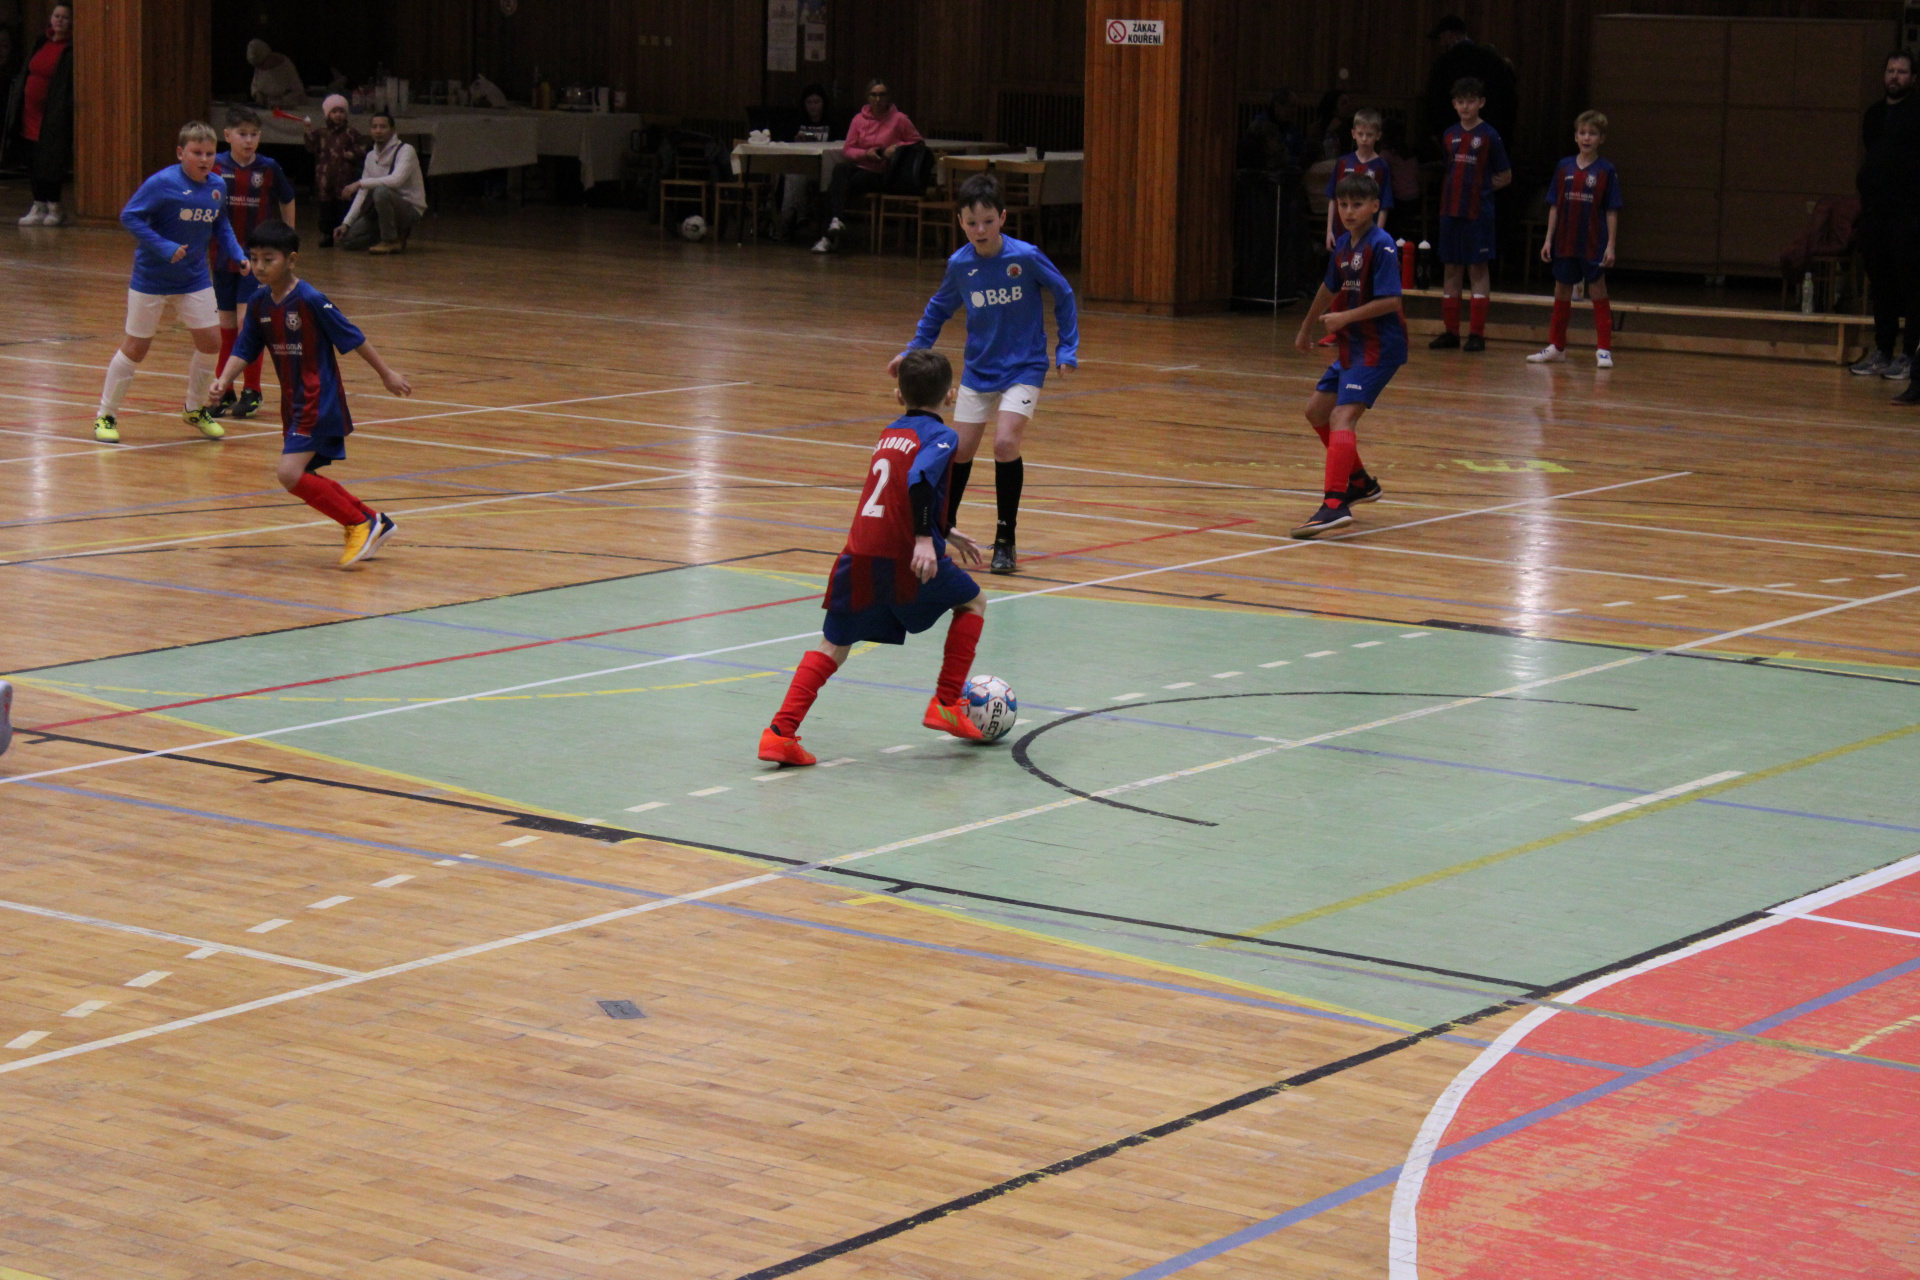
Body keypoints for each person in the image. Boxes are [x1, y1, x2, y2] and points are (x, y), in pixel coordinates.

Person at [758, 350, 989, 766]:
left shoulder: (889, 432)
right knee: (973, 601)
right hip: (903, 554)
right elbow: (919, 479)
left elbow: (896, 491)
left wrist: (945, 530)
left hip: (859, 552)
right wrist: (925, 539)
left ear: (898, 395)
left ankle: (779, 733)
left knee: (834, 644)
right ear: (951, 395)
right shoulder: (943, 436)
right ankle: (945, 702)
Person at [890, 173, 1078, 575]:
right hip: (979, 369)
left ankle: (1005, 539)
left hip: (1024, 366)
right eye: (972, 222)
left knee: (1005, 443)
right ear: (960, 221)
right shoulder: (960, 265)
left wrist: (1067, 348)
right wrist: (911, 352)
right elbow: (937, 310)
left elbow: (1063, 293)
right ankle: (942, 529)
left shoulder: (1025, 257)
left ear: (1003, 218)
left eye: (988, 221)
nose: (980, 230)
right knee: (958, 450)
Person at [209, 220, 413, 568]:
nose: (259, 266)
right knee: (301, 473)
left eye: (268, 259)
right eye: (254, 258)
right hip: (293, 403)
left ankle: (359, 523)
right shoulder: (259, 302)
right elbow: (245, 347)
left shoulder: (310, 299)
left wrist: (386, 374)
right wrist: (224, 379)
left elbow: (354, 337)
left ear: (291, 260)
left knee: (289, 473)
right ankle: (372, 520)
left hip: (318, 399)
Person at [92, 121, 248, 445]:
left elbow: (220, 224)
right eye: (197, 153)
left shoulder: (217, 186)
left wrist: (237, 254)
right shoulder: (162, 183)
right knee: (136, 348)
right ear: (180, 153)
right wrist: (164, 247)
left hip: (194, 278)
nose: (204, 159)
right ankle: (106, 415)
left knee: (211, 342)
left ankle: (194, 408)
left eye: (209, 153)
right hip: (151, 279)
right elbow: (129, 216)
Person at [1290, 173, 1402, 539]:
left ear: (1374, 207)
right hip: (1354, 345)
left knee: (1342, 416)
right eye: (1343, 204)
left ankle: (1335, 504)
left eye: (1357, 204)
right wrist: (1306, 327)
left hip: (1379, 347)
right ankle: (1360, 483)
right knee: (1316, 411)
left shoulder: (1382, 245)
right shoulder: (1342, 245)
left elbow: (1391, 301)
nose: (1349, 211)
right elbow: (1328, 288)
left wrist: (1344, 317)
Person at [209, 107, 295, 418]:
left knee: (248, 322)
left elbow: (287, 197)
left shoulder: (268, 167)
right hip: (221, 256)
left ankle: (252, 390)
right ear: (227, 135)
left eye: (254, 134)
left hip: (255, 258)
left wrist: (287, 238)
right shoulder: (215, 165)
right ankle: (224, 390)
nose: (249, 140)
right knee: (226, 327)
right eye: (242, 134)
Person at [1529, 111, 1622, 370]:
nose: (1586, 137)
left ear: (1601, 138)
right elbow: (1554, 206)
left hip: (1593, 242)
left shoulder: (1606, 170)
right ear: (1575, 137)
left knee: (1598, 291)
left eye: (1592, 133)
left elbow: (1612, 210)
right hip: (1565, 240)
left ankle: (1604, 349)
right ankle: (1557, 346)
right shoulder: (1564, 167)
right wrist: (1548, 240)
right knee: (1561, 290)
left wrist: (1611, 245)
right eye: (1582, 133)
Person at [1854, 50, 1920, 388]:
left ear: (1913, 78)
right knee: (1881, 285)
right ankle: (1882, 349)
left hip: (1907, 213)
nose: (1895, 76)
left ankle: (1909, 354)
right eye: (1891, 70)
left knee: (1911, 284)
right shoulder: (1874, 114)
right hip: (1875, 213)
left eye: (1902, 71)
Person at [1430, 77, 1510, 353]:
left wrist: (1481, 189)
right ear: (1454, 104)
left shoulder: (1490, 135)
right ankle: (1451, 332)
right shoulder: (1449, 134)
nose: (1466, 106)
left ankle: (1477, 333)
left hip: (1478, 214)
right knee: (1451, 268)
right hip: (1449, 211)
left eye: (1471, 101)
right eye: (1461, 101)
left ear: (1481, 103)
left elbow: (1505, 175)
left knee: (1477, 269)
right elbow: (1450, 169)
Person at [814, 79, 920, 253]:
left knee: (835, 187)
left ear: (888, 97)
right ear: (868, 97)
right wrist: (866, 153)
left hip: (883, 173)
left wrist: (897, 147)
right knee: (839, 171)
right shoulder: (859, 120)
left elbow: (918, 144)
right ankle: (835, 223)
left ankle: (828, 236)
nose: (878, 99)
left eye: (882, 95)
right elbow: (848, 150)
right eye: (874, 95)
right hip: (861, 166)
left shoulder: (899, 119)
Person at [5, 4, 72, 227]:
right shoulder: (41, 41)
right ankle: (38, 204)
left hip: (52, 113)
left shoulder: (70, 49)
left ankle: (54, 206)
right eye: (56, 16)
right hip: (29, 112)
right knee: (32, 159)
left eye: (65, 17)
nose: (59, 20)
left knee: (49, 160)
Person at [1420, 15, 1517, 155]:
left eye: (1440, 38)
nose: (1440, 44)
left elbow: (1434, 101)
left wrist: (1438, 134)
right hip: (1491, 136)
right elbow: (1508, 98)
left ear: (1448, 35)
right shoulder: (1492, 60)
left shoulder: (1444, 64)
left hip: (1457, 139)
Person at [336, 112, 425, 254]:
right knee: (348, 241)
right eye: (374, 127)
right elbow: (362, 194)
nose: (378, 131)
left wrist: (359, 183)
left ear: (393, 130)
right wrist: (346, 223)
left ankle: (390, 240)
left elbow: (396, 180)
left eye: (383, 127)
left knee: (381, 191)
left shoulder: (406, 150)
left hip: (409, 209)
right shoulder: (370, 156)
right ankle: (394, 234)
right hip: (380, 210)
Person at [304, 94, 367, 247]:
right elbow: (311, 146)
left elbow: (363, 147)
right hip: (325, 178)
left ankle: (344, 231)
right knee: (326, 207)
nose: (338, 115)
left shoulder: (351, 133)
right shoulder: (321, 133)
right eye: (334, 111)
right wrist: (308, 131)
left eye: (341, 111)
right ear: (328, 114)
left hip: (345, 177)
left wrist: (353, 154)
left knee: (343, 206)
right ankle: (327, 234)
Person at [777, 84, 837, 241]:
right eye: (809, 102)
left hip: (824, 170)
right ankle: (793, 219)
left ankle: (789, 220)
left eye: (817, 102)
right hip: (800, 166)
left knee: (793, 178)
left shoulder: (833, 123)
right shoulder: (796, 122)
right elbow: (784, 145)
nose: (813, 106)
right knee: (793, 176)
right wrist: (795, 141)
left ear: (823, 103)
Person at [1326, 108, 1392, 250]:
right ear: (1353, 133)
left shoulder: (1381, 166)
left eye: (1369, 134)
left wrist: (1378, 236)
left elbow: (1384, 205)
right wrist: (1329, 231)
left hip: (1368, 232)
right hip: (1341, 231)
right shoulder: (1343, 162)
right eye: (1360, 134)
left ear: (1378, 136)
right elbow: (1333, 198)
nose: (1364, 139)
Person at [246, 39, 306, 109]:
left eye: (261, 65)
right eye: (257, 66)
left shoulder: (285, 66)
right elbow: (255, 84)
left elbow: (299, 92)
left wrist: (280, 100)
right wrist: (257, 94)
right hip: (267, 108)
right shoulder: (259, 67)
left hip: (288, 109)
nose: (259, 68)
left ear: (268, 57)